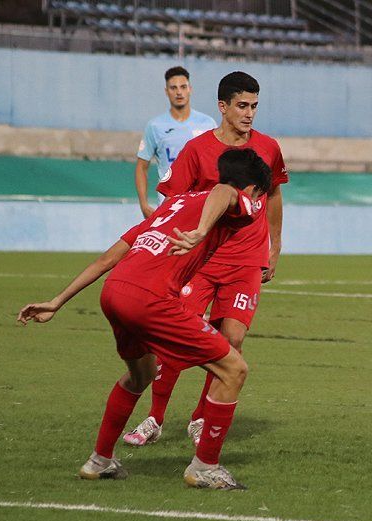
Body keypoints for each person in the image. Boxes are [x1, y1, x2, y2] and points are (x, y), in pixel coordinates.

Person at [17, 148, 274, 490]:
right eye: (258, 194)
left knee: (141, 374)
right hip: (150, 298)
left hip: (114, 292)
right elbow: (224, 192)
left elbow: (110, 256)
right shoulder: (240, 198)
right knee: (234, 368)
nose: (257, 202)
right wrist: (200, 231)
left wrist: (57, 301)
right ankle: (205, 467)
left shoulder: (172, 205)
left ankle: (100, 460)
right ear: (253, 189)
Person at [123, 71, 288, 448]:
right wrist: (155, 247)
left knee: (231, 341)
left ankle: (200, 417)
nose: (249, 114)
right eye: (242, 106)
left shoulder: (269, 147)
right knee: (176, 340)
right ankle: (155, 418)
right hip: (201, 260)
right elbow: (173, 204)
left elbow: (274, 194)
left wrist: (275, 247)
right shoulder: (197, 150)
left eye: (255, 106)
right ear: (223, 107)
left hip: (246, 260)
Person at [135, 66, 216, 218]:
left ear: (190, 89)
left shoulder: (208, 124)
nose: (179, 92)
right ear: (166, 91)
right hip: (169, 207)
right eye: (173, 88)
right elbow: (141, 167)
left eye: (183, 87)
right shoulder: (155, 126)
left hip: (203, 206)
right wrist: (144, 204)